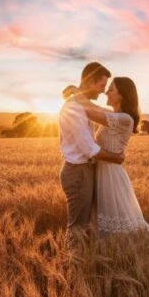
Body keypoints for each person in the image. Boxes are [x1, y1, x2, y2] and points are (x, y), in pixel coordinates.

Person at [68, 77, 149, 242]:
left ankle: (135, 256)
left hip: (111, 177)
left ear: (122, 95)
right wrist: (78, 95)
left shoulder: (126, 119)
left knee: (118, 225)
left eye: (111, 89)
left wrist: (77, 93)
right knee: (105, 225)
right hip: (101, 173)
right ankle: (116, 257)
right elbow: (94, 107)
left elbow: (89, 111)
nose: (106, 92)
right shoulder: (114, 115)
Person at [58, 62, 125, 245]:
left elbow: (108, 116)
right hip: (78, 172)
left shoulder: (83, 106)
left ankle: (82, 264)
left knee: (86, 225)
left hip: (84, 171)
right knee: (77, 227)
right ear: (89, 82)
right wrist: (117, 158)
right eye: (101, 85)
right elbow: (89, 149)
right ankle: (73, 269)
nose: (103, 91)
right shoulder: (73, 108)